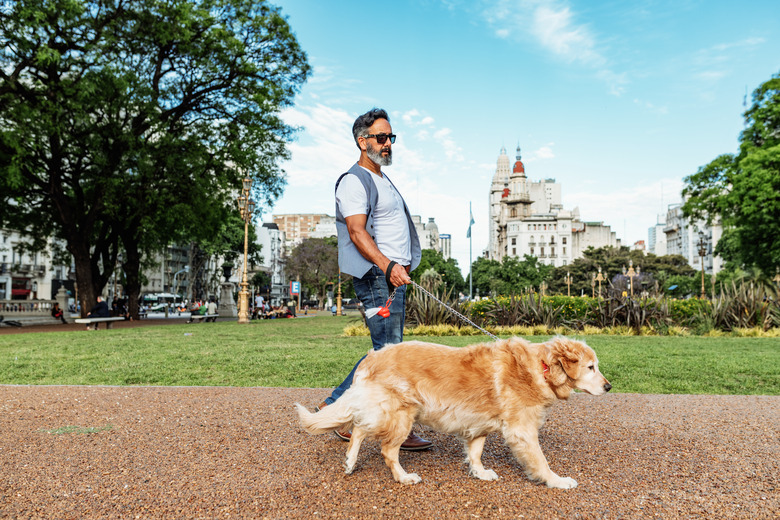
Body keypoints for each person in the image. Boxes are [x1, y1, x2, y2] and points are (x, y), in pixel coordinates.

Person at [317, 108, 431, 451]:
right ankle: (353, 415)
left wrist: (402, 267)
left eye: (390, 138)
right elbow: (356, 232)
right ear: (361, 140)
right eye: (381, 138)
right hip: (377, 277)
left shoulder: (382, 178)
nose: (388, 144)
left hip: (392, 278)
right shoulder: (355, 180)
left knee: (387, 353)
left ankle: (347, 410)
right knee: (388, 355)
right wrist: (387, 266)